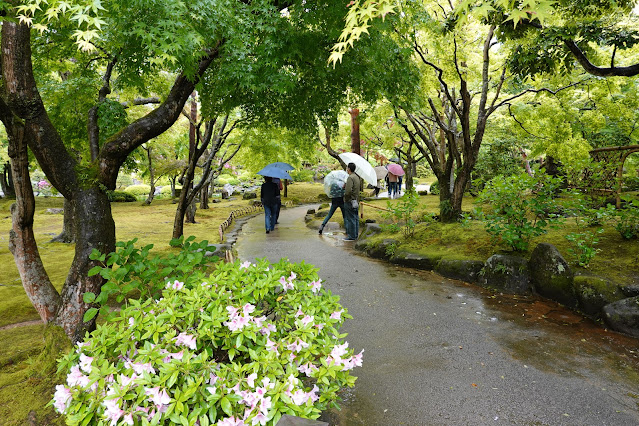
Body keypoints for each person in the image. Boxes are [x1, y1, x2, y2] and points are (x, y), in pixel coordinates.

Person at [343, 162, 361, 241]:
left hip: (350, 201)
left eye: (347, 168)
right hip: (356, 200)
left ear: (349, 169)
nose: (346, 169)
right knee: (355, 218)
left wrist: (346, 198)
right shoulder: (357, 177)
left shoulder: (350, 178)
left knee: (350, 218)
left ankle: (351, 236)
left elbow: (348, 191)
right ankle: (355, 234)